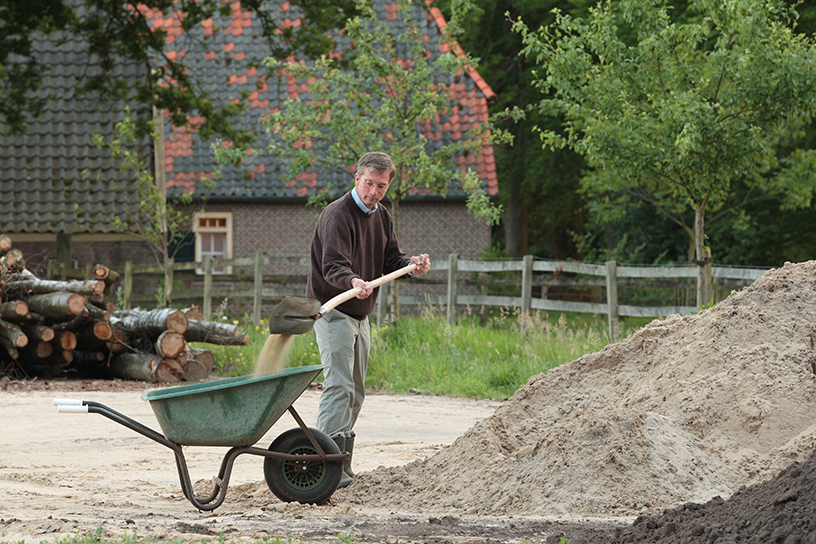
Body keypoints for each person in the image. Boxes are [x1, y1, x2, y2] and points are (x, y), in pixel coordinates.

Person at [305, 151, 431, 488]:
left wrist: (411, 265)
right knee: (339, 386)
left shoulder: (382, 216)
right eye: (369, 184)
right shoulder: (337, 215)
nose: (374, 192)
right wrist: (352, 281)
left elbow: (391, 259)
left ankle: (342, 465)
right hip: (334, 310)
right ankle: (325, 466)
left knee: (357, 392)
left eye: (381, 187)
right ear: (356, 178)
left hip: (361, 315)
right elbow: (333, 265)